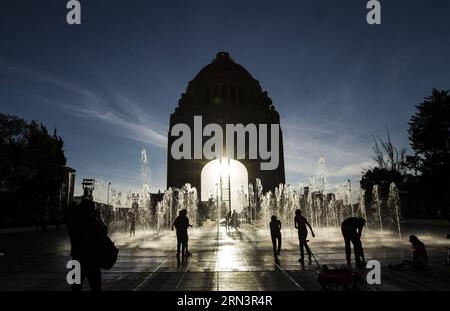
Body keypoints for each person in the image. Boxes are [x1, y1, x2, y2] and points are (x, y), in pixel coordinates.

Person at [67, 199, 108, 291]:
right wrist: (99, 218)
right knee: (96, 286)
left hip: (77, 258)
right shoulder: (93, 221)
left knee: (75, 286)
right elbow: (104, 231)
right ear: (90, 210)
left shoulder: (74, 221)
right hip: (92, 259)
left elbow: (71, 234)